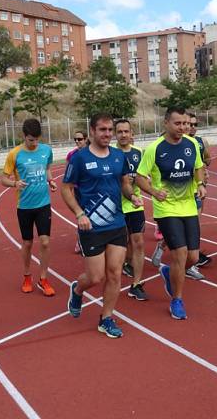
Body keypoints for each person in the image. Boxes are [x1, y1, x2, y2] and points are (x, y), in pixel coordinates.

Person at [62, 112, 142, 338]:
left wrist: (132, 196)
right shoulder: (79, 158)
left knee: (115, 274)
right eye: (103, 130)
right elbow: (66, 188)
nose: (107, 134)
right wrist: (79, 214)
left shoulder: (118, 156)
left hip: (117, 223)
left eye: (110, 130)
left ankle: (106, 318)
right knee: (95, 277)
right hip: (91, 226)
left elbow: (125, 184)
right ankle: (77, 289)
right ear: (92, 132)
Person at [136, 106, 206, 320]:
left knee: (193, 257)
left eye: (185, 123)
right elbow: (139, 177)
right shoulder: (154, 148)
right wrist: (154, 192)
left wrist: (201, 183)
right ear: (166, 123)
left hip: (189, 206)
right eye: (178, 123)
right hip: (166, 209)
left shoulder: (192, 144)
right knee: (180, 253)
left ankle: (169, 272)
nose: (183, 127)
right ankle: (177, 299)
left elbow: (198, 167)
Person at [2, 118, 57, 296]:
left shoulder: (46, 150)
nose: (34, 143)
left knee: (45, 242)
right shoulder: (15, 154)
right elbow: (3, 179)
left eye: (37, 140)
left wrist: (51, 180)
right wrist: (14, 184)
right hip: (24, 206)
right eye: (30, 140)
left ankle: (43, 278)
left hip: (43, 204)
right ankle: (27, 275)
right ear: (24, 136)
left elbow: (47, 169)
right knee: (27, 243)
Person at [115, 119, 148, 300]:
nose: (123, 135)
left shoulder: (138, 153)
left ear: (131, 133)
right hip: (114, 205)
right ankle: (114, 280)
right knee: (119, 245)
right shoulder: (110, 153)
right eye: (119, 132)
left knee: (138, 242)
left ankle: (136, 284)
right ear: (115, 134)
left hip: (135, 203)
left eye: (126, 131)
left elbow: (143, 177)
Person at [187, 113, 213, 271]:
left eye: (195, 125)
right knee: (192, 222)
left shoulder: (201, 142)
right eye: (190, 124)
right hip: (183, 188)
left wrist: (202, 166)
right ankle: (192, 256)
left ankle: (192, 254)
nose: (192, 128)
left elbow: (208, 159)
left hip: (199, 185)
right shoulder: (178, 142)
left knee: (195, 221)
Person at [67, 130, 89, 254]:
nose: (77, 141)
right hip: (79, 189)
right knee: (81, 215)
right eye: (75, 139)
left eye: (79, 139)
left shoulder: (91, 152)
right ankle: (80, 241)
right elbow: (68, 175)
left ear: (85, 139)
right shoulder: (72, 155)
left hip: (91, 188)